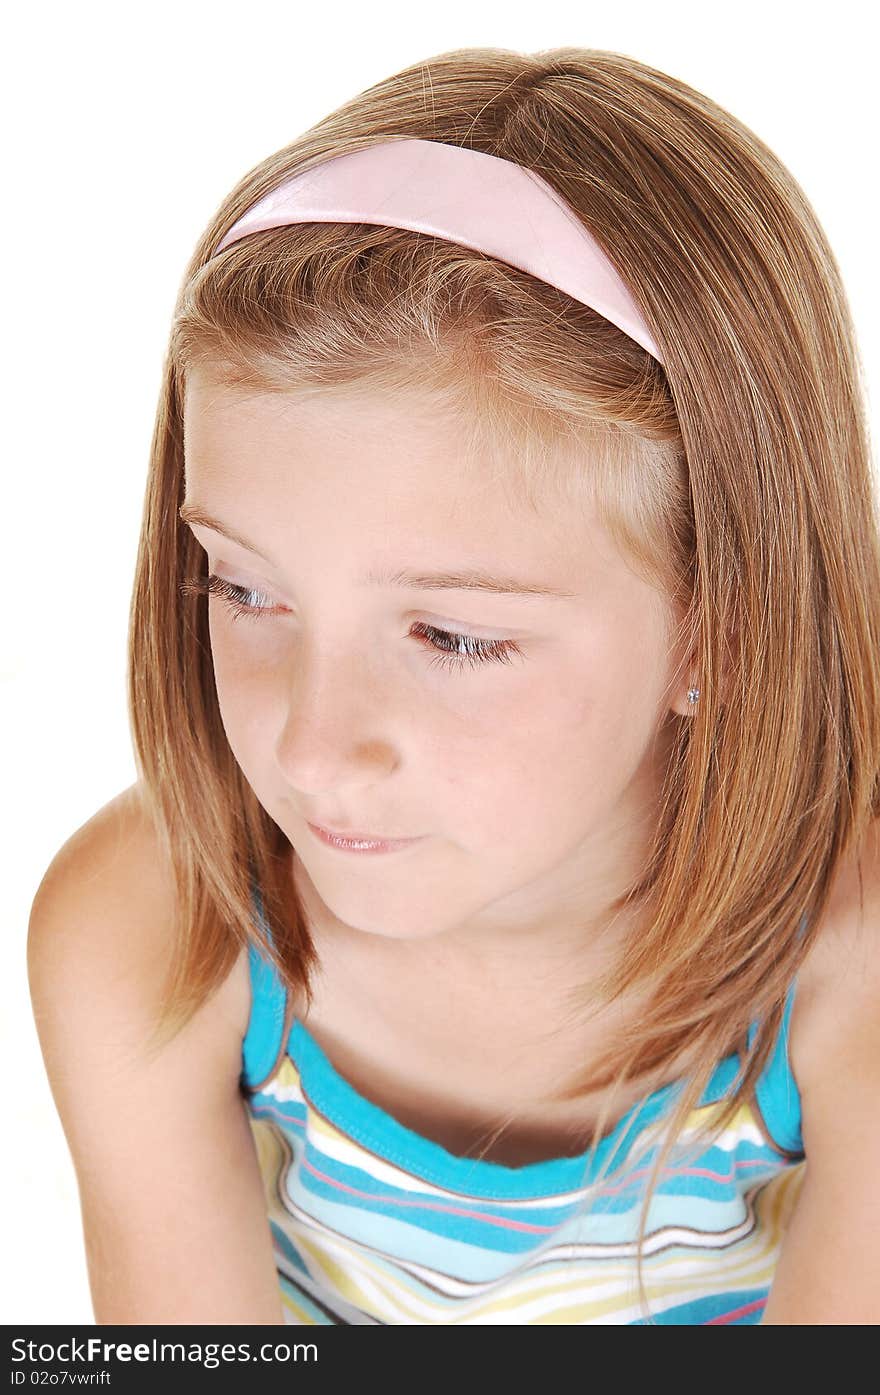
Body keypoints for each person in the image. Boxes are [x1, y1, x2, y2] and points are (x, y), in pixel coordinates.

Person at [27, 45, 880, 1327]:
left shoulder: (844, 980)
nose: (314, 750)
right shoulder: (153, 936)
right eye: (248, 592)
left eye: (454, 638)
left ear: (720, 629)